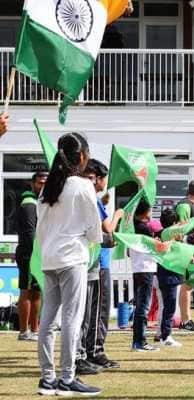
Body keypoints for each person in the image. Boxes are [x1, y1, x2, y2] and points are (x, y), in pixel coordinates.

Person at [36, 132, 103, 396]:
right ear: (83, 157)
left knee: (48, 320)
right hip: (72, 258)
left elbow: (42, 229)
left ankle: (47, 378)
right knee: (72, 319)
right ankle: (67, 378)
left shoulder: (47, 189)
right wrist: (93, 237)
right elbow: (95, 231)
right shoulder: (81, 185)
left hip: (49, 258)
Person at [75, 160, 124, 375]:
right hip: (97, 262)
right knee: (95, 312)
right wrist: (118, 215)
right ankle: (92, 351)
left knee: (92, 312)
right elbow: (107, 230)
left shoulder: (92, 199)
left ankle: (90, 351)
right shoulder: (90, 199)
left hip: (94, 261)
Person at [15, 171, 48, 341]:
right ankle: (23, 332)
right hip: (29, 254)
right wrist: (34, 255)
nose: (43, 186)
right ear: (33, 184)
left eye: (45, 183)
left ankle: (35, 330)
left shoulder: (40, 203)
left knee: (36, 292)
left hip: (38, 253)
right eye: (40, 182)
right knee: (26, 291)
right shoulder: (29, 203)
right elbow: (29, 234)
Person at [176, 179, 194, 332]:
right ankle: (185, 320)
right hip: (189, 251)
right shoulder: (184, 205)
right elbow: (182, 230)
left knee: (190, 284)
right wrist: (188, 253)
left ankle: (187, 318)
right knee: (187, 285)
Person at [131, 200, 160, 352]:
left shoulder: (133, 227)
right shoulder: (144, 229)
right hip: (145, 268)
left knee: (140, 306)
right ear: (145, 211)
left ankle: (138, 340)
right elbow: (157, 248)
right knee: (143, 306)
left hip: (137, 268)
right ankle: (140, 341)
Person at [156, 208, 184, 348]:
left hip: (165, 275)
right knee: (169, 307)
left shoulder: (160, 234)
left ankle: (163, 334)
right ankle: (166, 335)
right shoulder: (166, 236)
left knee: (167, 306)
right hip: (169, 275)